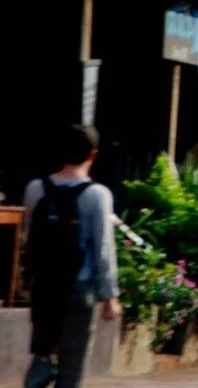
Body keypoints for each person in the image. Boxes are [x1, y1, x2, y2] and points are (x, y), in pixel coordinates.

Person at [23, 125, 119, 388]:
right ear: (93, 154)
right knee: (72, 365)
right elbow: (103, 248)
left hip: (43, 288)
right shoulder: (97, 195)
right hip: (79, 287)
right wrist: (109, 296)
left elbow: (29, 234)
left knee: (43, 350)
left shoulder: (35, 189)